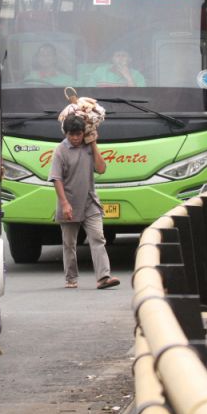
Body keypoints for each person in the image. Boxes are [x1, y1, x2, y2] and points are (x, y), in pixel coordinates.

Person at [49, 115, 119, 290]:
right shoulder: (60, 151)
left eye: (78, 134)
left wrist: (94, 143)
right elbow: (56, 179)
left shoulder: (89, 147)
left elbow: (101, 169)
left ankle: (104, 277)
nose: (75, 138)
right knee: (69, 243)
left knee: (98, 238)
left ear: (83, 133)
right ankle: (71, 277)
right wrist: (64, 203)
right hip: (69, 203)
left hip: (90, 201)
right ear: (66, 133)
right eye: (71, 134)